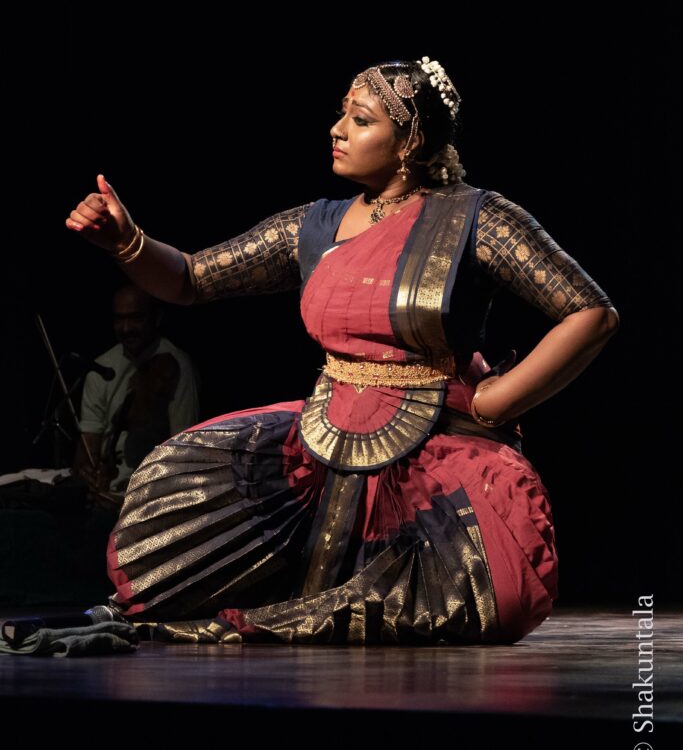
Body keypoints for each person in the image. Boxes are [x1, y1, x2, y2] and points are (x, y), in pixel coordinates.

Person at [65, 57, 619, 647]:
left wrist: (497, 401)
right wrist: (127, 241)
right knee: (169, 493)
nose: (337, 129)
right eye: (342, 115)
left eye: (360, 119)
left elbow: (591, 312)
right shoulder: (316, 225)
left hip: (437, 444)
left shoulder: (476, 219)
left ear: (410, 141)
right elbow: (191, 279)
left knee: (496, 594)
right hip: (323, 440)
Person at [71, 283, 201, 511]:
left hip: (152, 494)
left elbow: (184, 449)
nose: (126, 328)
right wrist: (87, 472)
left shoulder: (178, 365)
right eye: (119, 320)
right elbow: (89, 441)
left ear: (156, 318)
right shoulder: (101, 367)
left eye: (136, 319)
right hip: (106, 493)